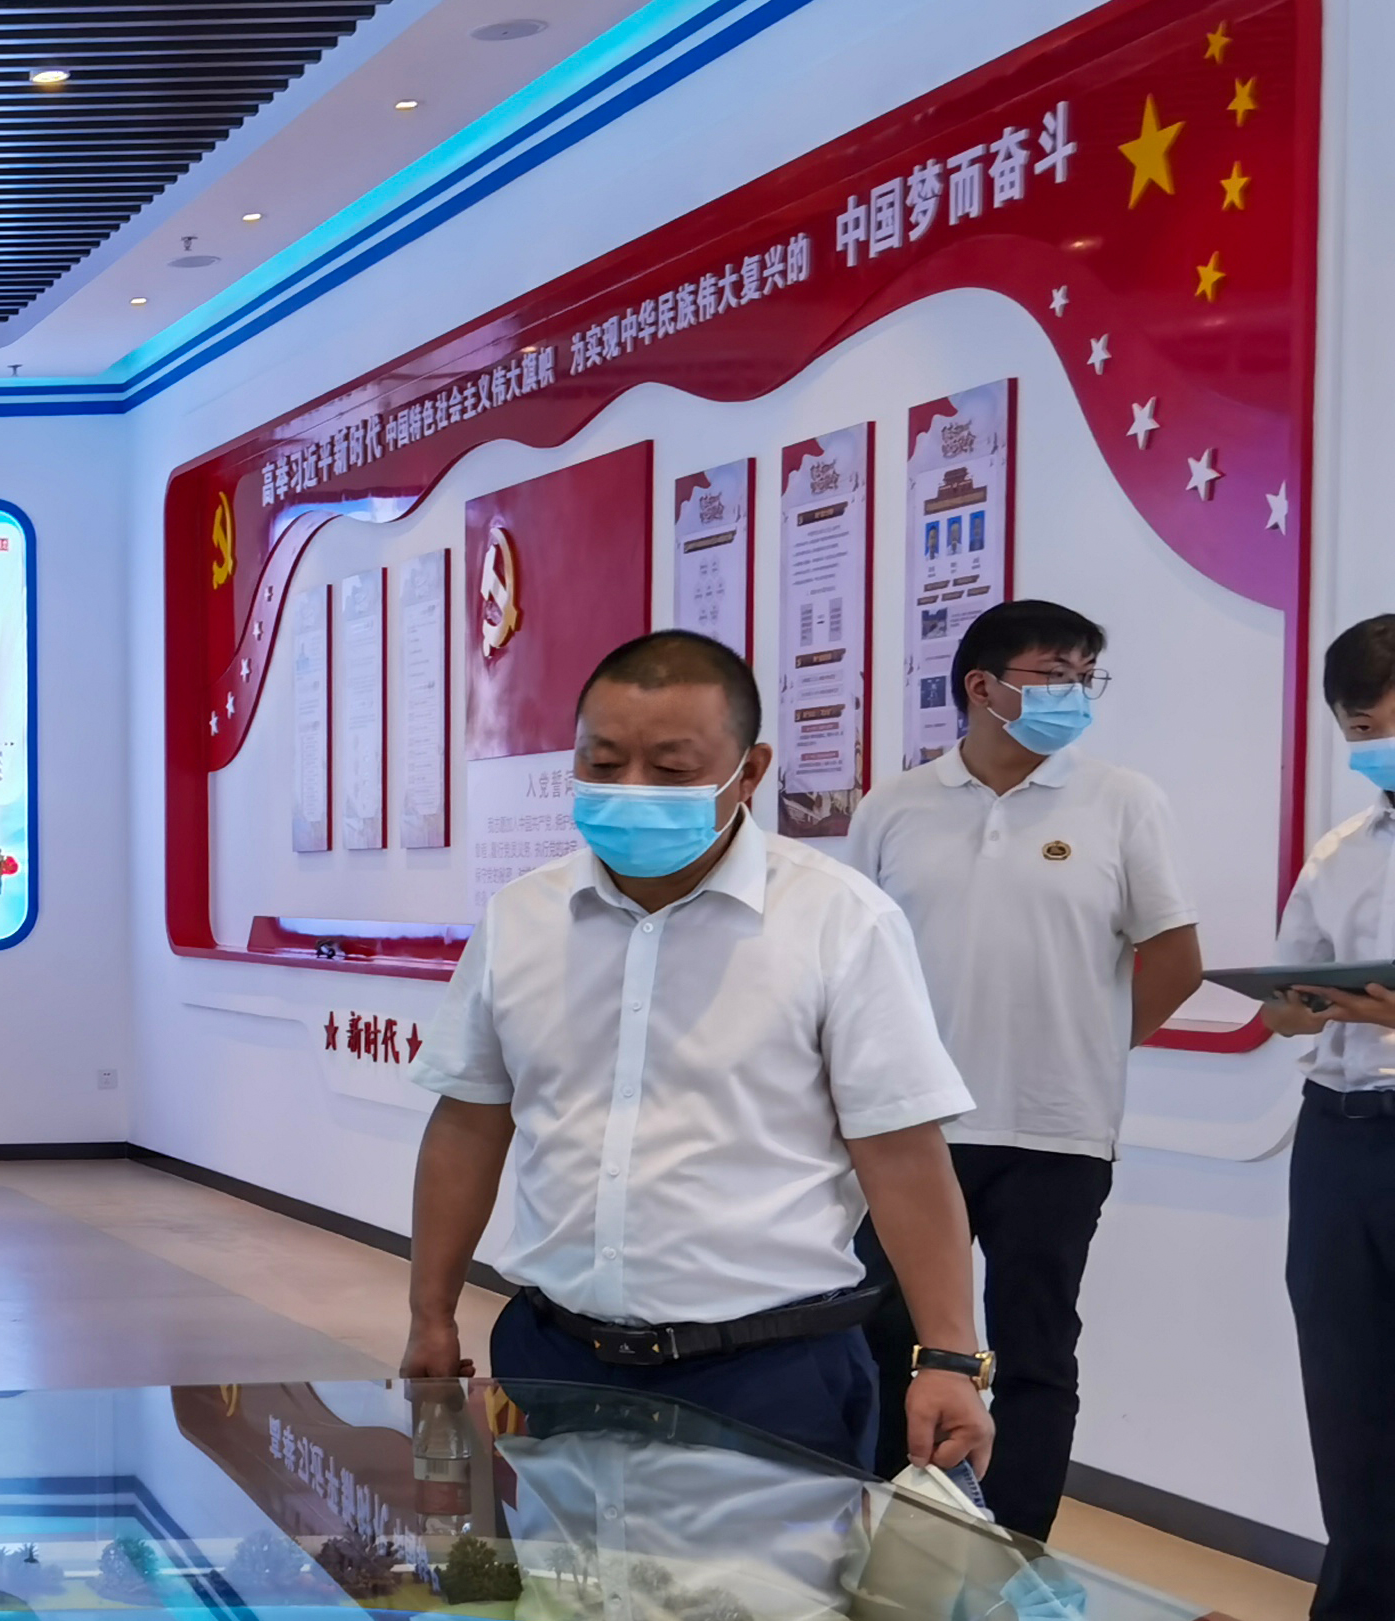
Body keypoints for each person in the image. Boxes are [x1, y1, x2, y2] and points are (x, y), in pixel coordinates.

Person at [403, 629, 996, 1476]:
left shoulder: (838, 922)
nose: (632, 789)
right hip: (554, 1358)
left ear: (749, 772)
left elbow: (901, 1154)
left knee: (771, 1573)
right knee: (559, 1565)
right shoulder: (522, 918)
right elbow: (468, 1124)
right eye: (604, 763)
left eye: (672, 768)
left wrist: (947, 1358)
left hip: (769, 1376)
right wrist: (430, 1312)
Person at [847, 600, 1203, 1533]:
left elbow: (1175, 958)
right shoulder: (893, 807)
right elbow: (855, 964)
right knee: (885, 1337)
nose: (1075, 694)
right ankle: (893, 1531)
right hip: (911, 1130)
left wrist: (1088, 1044)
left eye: (1087, 676)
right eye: (1055, 674)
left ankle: (1012, 1554)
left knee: (1036, 1351)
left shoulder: (1122, 801)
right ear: (982, 686)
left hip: (1056, 1131)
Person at [1266, 614, 1395, 1621]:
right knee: (1346, 1394)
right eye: (1360, 730)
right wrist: (1292, 1005)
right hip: (1339, 1139)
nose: (1377, 746)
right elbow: (1289, 1002)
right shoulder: (1342, 853)